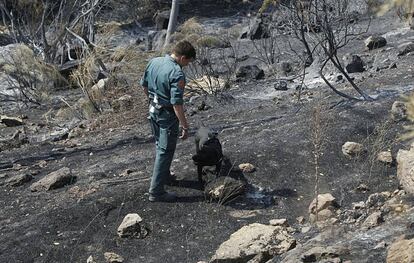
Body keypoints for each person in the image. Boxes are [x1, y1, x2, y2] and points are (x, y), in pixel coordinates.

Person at [140, 40, 196, 202]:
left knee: (160, 145)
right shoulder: (177, 73)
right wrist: (185, 126)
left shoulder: (154, 61)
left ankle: (165, 175)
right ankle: (156, 191)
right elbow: (176, 103)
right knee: (165, 151)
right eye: (188, 62)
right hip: (166, 116)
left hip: (153, 111)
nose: (187, 65)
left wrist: (153, 100)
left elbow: (144, 86)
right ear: (183, 57)